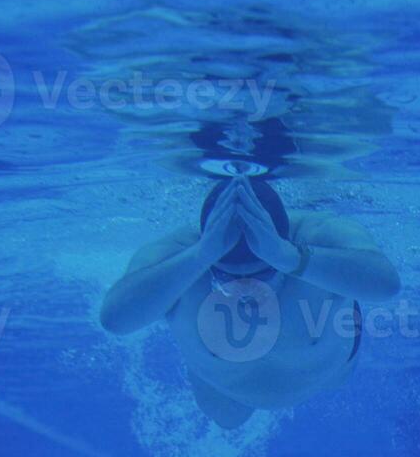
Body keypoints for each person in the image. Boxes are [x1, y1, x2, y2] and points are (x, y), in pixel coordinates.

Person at [100, 175, 399, 428]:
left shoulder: (317, 233)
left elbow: (385, 284)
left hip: (331, 371)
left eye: (265, 271)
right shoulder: (179, 252)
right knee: (227, 419)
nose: (248, 289)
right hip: (223, 389)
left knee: (336, 374)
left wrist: (289, 258)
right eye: (226, 276)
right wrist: (200, 257)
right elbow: (115, 319)